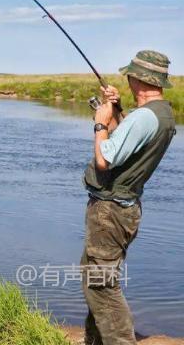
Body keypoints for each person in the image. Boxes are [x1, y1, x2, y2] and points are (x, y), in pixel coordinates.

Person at [80, 50, 176, 345]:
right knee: (94, 277)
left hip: (110, 211)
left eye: (130, 75)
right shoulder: (161, 113)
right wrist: (117, 108)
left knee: (101, 286)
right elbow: (127, 140)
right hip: (123, 209)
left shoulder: (146, 117)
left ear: (139, 78)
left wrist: (100, 121)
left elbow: (104, 160)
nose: (128, 79)